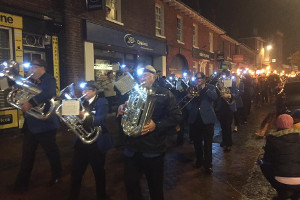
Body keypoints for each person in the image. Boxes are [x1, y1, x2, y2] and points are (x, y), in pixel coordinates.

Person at [117, 65, 182, 200]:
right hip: (132, 147)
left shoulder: (165, 93)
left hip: (153, 148)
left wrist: (156, 126)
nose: (142, 78)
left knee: (155, 187)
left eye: (146, 75)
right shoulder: (134, 92)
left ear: (154, 77)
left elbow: (177, 116)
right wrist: (122, 108)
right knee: (130, 184)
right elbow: (129, 111)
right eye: (141, 75)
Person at [13, 58, 62, 193]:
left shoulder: (49, 79)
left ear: (40, 67)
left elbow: (49, 93)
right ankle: (21, 184)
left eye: (32, 67)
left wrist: (31, 103)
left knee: (51, 153)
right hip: (31, 124)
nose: (29, 70)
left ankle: (57, 175)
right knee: (27, 155)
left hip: (45, 125)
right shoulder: (30, 81)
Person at [69, 81, 112, 200]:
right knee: (76, 172)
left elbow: (100, 120)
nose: (84, 92)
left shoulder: (102, 102)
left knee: (98, 171)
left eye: (87, 90)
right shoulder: (80, 102)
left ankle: (101, 196)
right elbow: (74, 120)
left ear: (95, 91)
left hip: (96, 142)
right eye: (83, 90)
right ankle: (73, 195)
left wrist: (83, 116)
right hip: (81, 142)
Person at [259, 113, 300, 200]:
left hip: (280, 179)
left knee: (263, 164)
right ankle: (295, 194)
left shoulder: (272, 139)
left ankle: (283, 192)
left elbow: (267, 159)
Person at [186, 72, 218, 173]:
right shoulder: (192, 88)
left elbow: (214, 97)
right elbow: (188, 104)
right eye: (196, 78)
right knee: (197, 143)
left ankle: (208, 164)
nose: (198, 80)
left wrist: (204, 88)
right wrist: (189, 98)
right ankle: (199, 160)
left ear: (204, 79)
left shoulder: (211, 87)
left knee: (208, 143)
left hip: (207, 119)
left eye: (200, 78)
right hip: (196, 119)